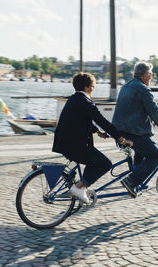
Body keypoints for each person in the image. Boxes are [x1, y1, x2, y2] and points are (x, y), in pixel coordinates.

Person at [52, 72, 132, 203]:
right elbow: (103, 122)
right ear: (88, 87)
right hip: (75, 146)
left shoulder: (74, 99)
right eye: (93, 86)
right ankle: (78, 187)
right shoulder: (86, 102)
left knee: (93, 159)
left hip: (65, 143)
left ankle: (81, 187)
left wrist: (97, 132)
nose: (93, 89)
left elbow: (81, 120)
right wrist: (121, 139)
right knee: (105, 164)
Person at [112, 62, 158, 198]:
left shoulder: (126, 86)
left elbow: (134, 109)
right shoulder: (143, 89)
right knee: (156, 156)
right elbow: (156, 113)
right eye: (151, 74)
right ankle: (131, 181)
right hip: (133, 132)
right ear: (145, 75)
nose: (152, 77)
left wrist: (148, 120)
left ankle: (137, 182)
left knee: (141, 153)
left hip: (121, 131)